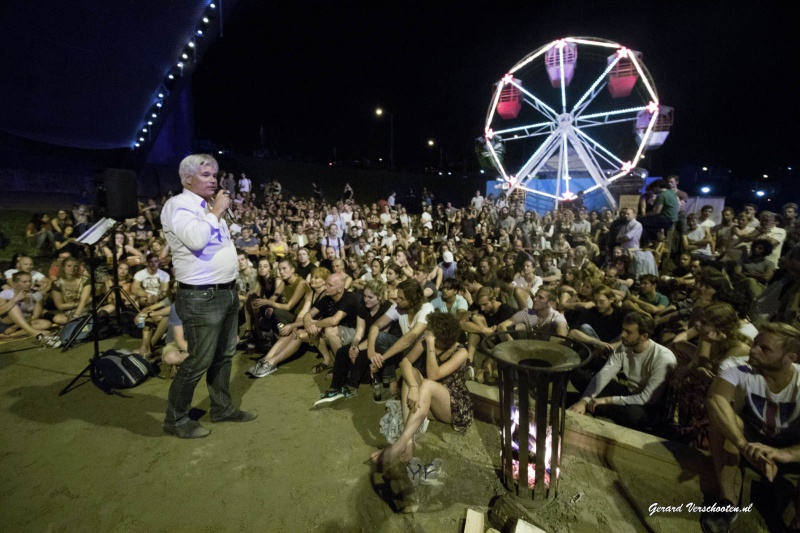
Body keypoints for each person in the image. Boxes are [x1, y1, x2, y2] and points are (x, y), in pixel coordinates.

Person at [161, 154, 257, 439]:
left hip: (226, 292)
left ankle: (222, 408)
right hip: (201, 297)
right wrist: (216, 211)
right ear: (187, 178)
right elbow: (196, 240)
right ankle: (175, 419)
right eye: (205, 174)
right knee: (197, 361)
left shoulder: (206, 207)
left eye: (214, 175)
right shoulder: (178, 206)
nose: (213, 179)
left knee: (224, 356)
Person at [703, 323, 800, 533]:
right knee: (724, 420)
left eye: (765, 349)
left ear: (790, 358)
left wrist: (787, 454)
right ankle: (727, 502)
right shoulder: (738, 366)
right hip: (753, 439)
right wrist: (743, 445)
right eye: (755, 344)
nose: (753, 350)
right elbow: (716, 400)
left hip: (791, 448)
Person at [370, 311, 473, 470]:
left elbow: (434, 375)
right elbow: (405, 362)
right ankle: (409, 442)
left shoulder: (461, 352)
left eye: (430, 331)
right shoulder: (425, 341)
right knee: (411, 375)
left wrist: (431, 345)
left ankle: (399, 444)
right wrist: (412, 385)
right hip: (429, 401)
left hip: (453, 405)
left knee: (426, 383)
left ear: (440, 337)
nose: (426, 332)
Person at [568, 312, 677, 430]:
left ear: (644, 336)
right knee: (578, 376)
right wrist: (584, 401)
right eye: (623, 330)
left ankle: (594, 404)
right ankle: (590, 403)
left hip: (646, 406)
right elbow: (604, 374)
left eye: (628, 332)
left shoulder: (663, 358)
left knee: (633, 416)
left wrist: (606, 400)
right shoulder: (624, 347)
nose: (622, 335)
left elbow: (647, 399)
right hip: (627, 393)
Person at [0, 271, 57, 346]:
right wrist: (15, 299)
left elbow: (35, 317)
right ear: (15, 283)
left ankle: (11, 336)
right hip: (5, 324)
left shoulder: (37, 295)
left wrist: (15, 327)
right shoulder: (6, 293)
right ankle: (36, 333)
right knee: (14, 306)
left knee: (46, 324)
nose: (28, 284)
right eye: (24, 282)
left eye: (30, 281)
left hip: (22, 325)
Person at [497, 287, 568, 336]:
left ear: (550, 303)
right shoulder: (527, 312)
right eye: (536, 296)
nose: (534, 299)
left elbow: (562, 338)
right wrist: (510, 341)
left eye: (540, 298)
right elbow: (501, 326)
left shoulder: (557, 317)